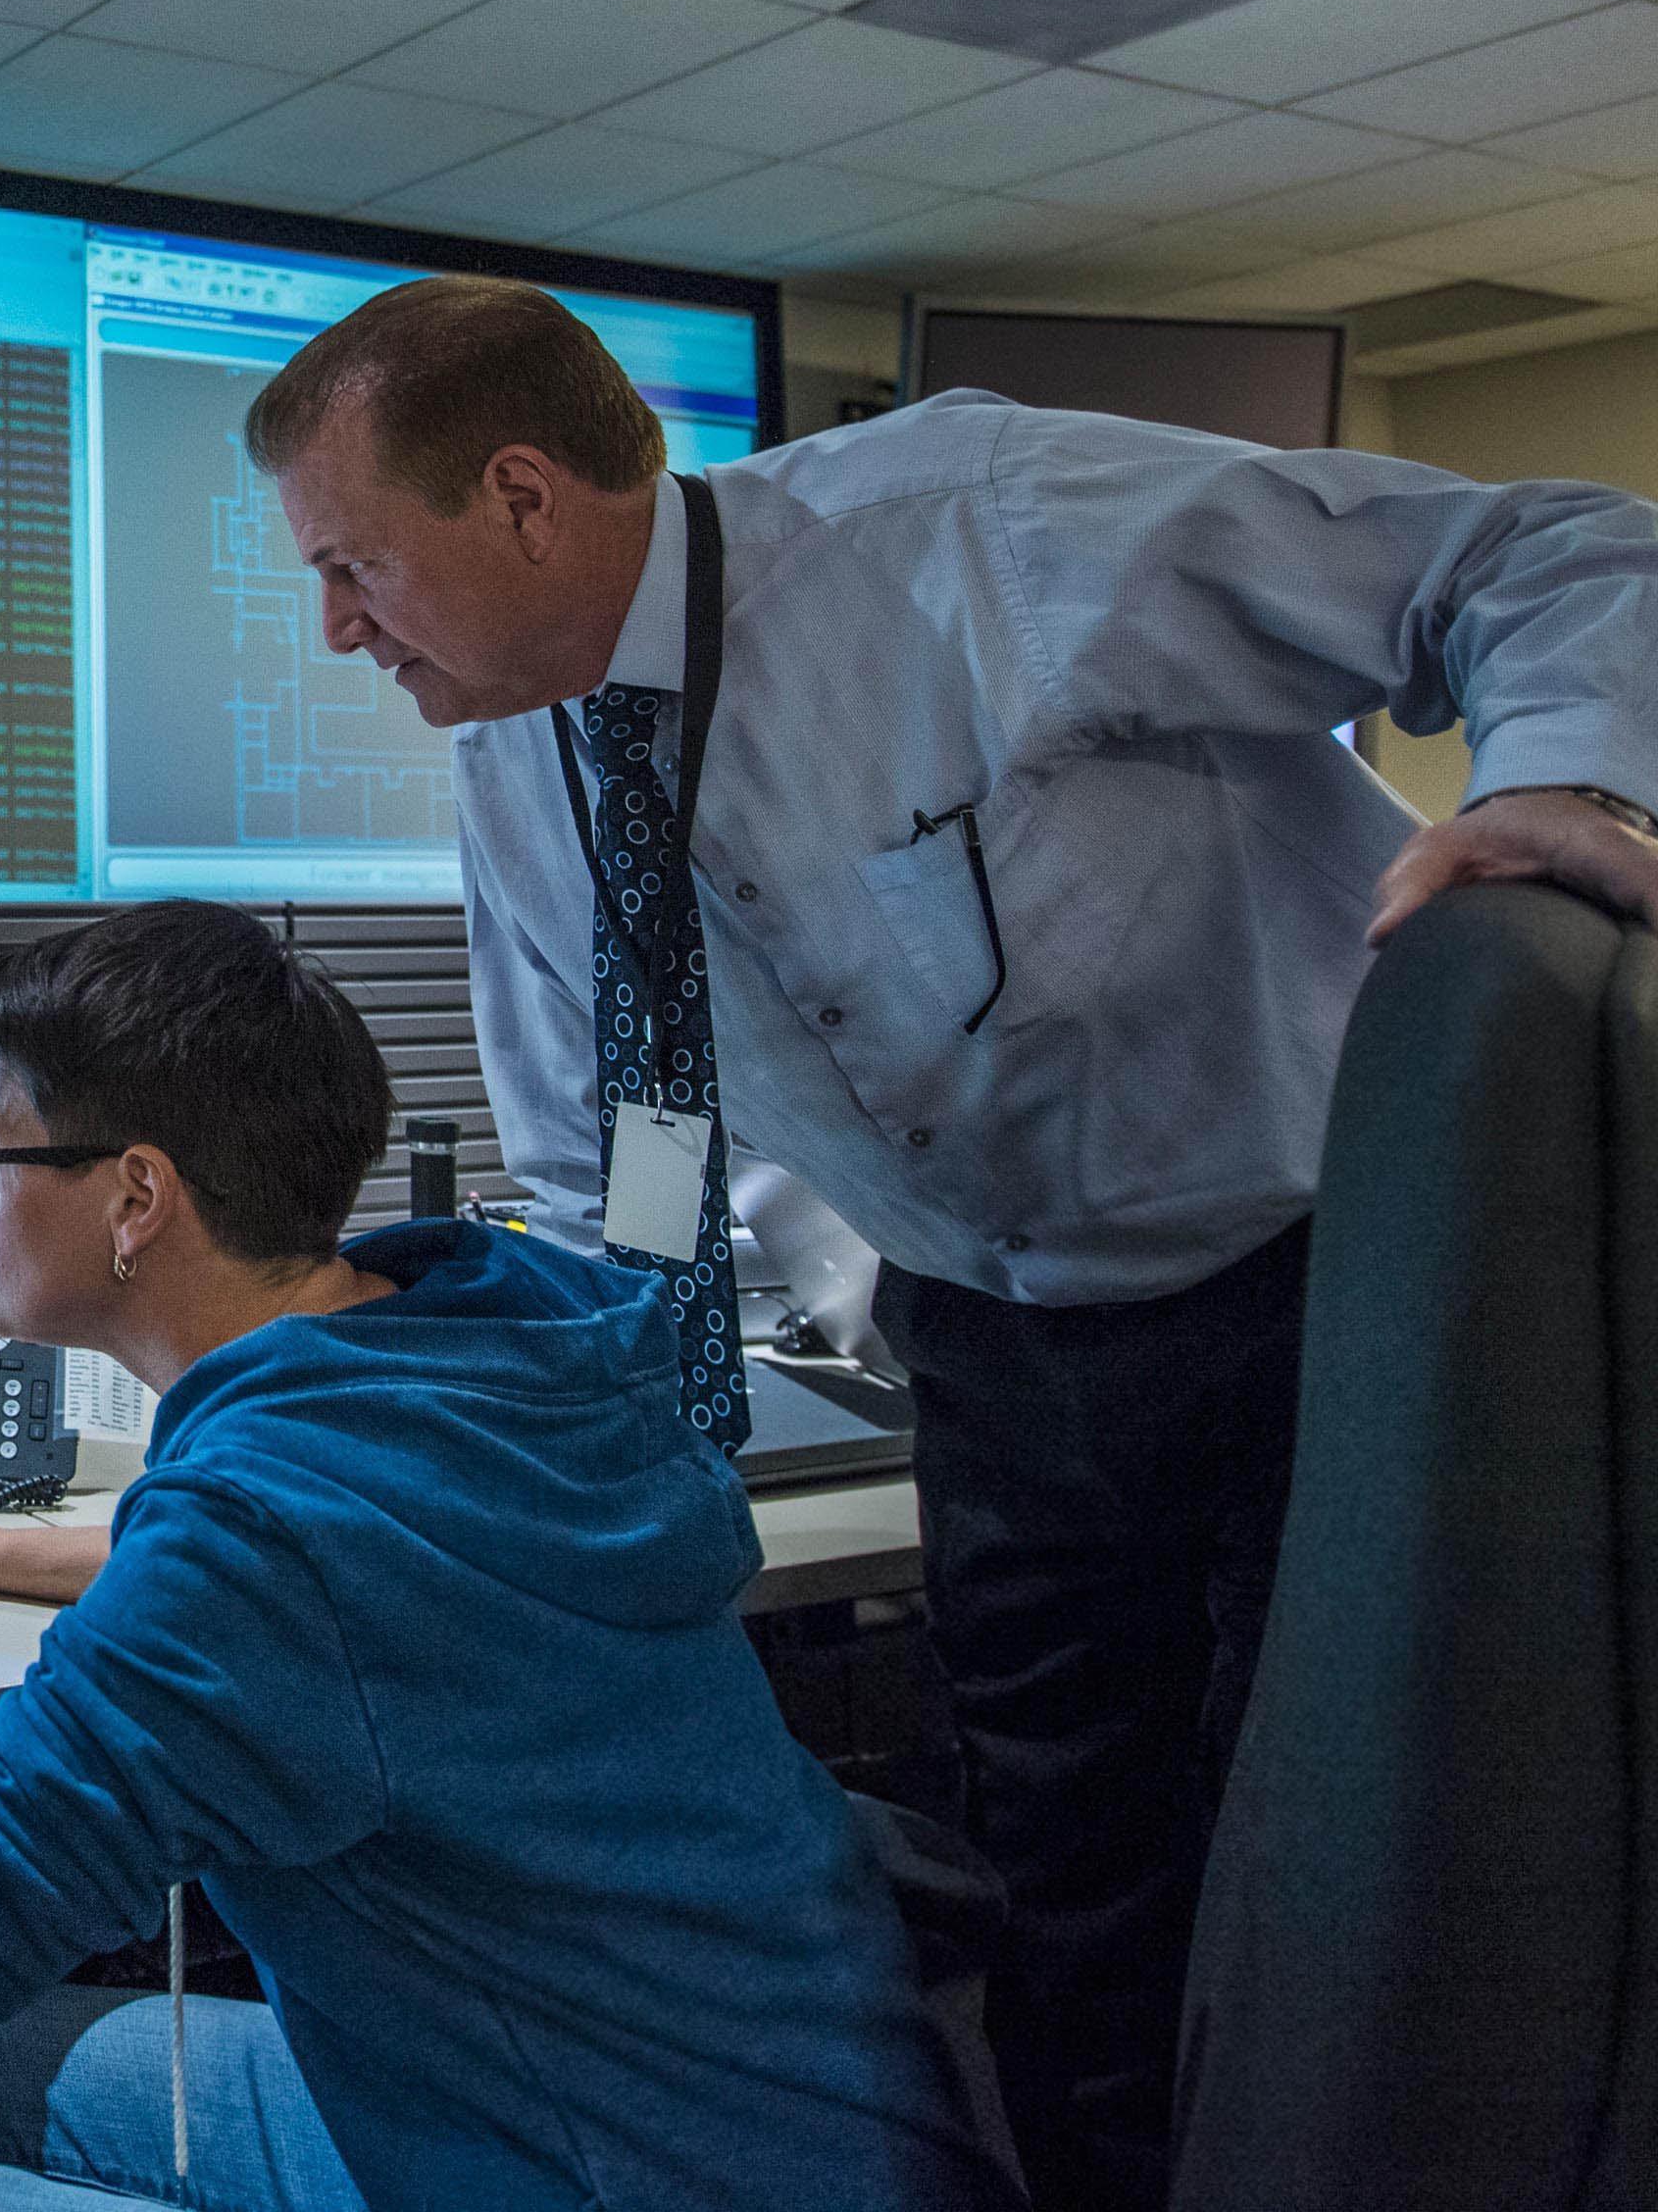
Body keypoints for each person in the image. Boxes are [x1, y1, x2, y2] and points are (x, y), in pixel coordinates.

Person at [241, 276, 1658, 2212]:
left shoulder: (973, 523)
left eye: (353, 567)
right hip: (993, 1354)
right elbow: (617, 1147)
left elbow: (1545, 550)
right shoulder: (522, 748)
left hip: (1309, 1304)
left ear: (520, 497)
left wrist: (1558, 785)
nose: (333, 631)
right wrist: (537, 1430)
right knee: (1070, 1904)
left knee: (1325, 1899)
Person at [0, 899, 1015, 2212]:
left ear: (135, 1197)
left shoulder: (259, 1548)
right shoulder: (514, 1344)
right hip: (789, 2113)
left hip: (577, 2169)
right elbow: (389, 1604)